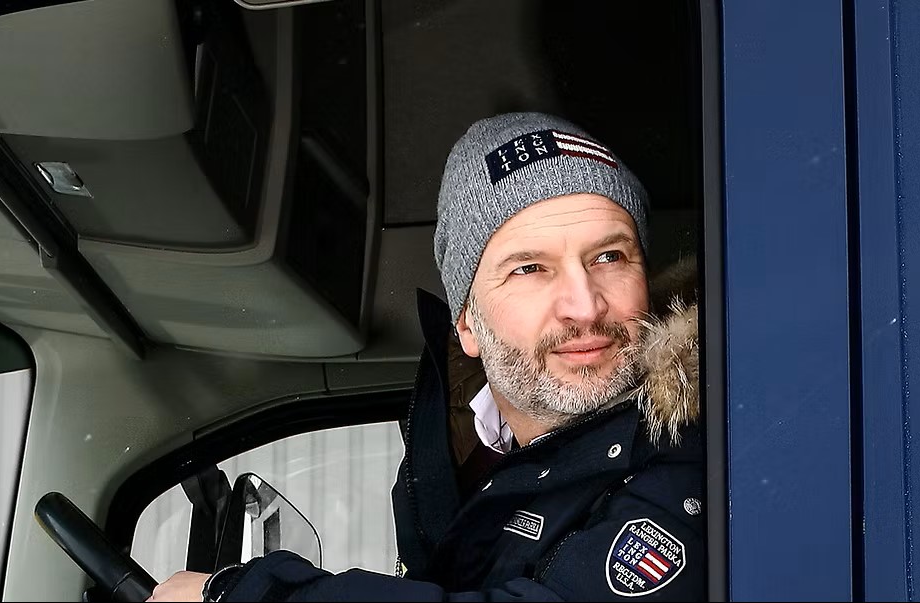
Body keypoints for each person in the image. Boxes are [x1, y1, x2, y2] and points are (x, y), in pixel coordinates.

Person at [150, 112, 703, 601]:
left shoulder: (706, 441)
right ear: (467, 325)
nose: (584, 305)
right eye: (530, 268)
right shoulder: (453, 450)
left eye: (609, 257)